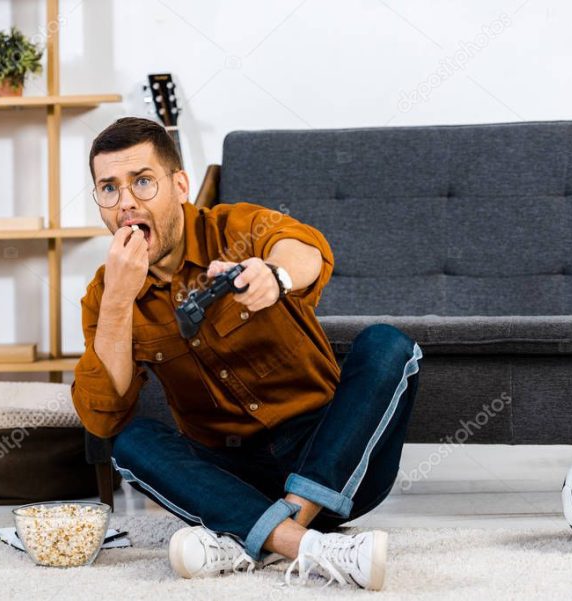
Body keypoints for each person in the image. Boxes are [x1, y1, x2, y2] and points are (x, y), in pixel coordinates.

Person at [71, 117, 423, 590]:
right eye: (109, 189)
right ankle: (310, 546)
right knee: (130, 441)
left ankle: (259, 535)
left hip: (333, 460)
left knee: (388, 345)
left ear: (180, 185)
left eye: (143, 182)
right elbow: (102, 416)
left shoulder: (232, 228)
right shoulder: (105, 291)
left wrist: (274, 276)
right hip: (231, 474)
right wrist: (118, 300)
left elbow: (308, 250)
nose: (127, 202)